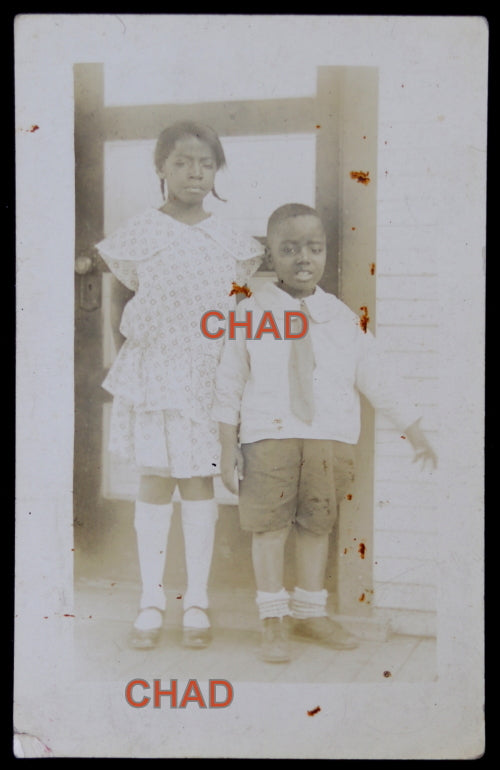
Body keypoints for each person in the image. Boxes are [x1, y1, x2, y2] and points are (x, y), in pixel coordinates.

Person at [212, 202, 437, 663]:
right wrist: (225, 446)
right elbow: (229, 381)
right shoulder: (250, 313)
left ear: (326, 253)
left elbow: (377, 376)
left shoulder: (341, 317)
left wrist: (414, 429)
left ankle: (309, 613)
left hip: (327, 438)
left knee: (316, 525)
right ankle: (272, 619)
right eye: (289, 249)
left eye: (314, 248)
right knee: (269, 528)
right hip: (268, 436)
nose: (303, 258)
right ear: (270, 256)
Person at [96, 121, 264, 649]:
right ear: (162, 168)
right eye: (183, 162)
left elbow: (237, 310)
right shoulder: (141, 233)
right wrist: (126, 364)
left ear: (217, 171)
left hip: (205, 376)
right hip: (154, 374)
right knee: (154, 481)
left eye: (206, 163)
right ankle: (150, 600)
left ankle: (196, 602)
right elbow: (121, 307)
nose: (195, 173)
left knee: (197, 483)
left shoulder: (231, 242)